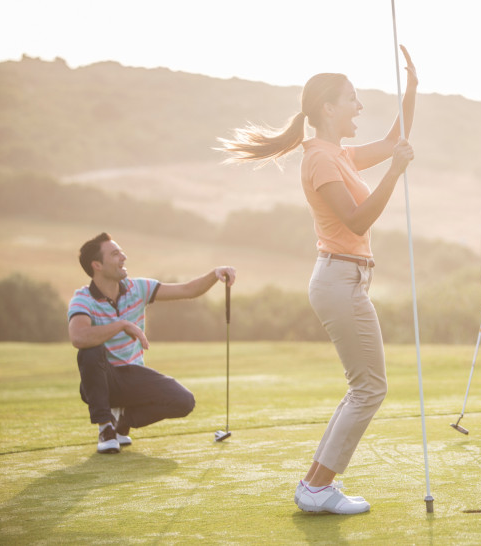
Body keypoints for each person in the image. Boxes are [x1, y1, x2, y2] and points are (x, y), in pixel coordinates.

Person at [218, 46, 417, 515]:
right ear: (328, 107)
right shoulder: (321, 160)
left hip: (346, 280)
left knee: (362, 386)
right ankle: (318, 486)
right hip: (339, 281)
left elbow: (396, 137)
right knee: (370, 388)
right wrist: (395, 172)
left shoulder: (339, 154)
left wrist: (412, 88)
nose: (359, 108)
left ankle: (315, 484)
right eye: (352, 99)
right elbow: (357, 222)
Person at [68, 232, 236, 455]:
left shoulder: (137, 289)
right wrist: (121, 325)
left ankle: (122, 421)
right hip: (102, 380)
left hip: (134, 375)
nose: (123, 257)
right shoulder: (83, 298)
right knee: (89, 353)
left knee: (183, 401)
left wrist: (215, 274)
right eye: (116, 254)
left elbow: (188, 289)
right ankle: (105, 427)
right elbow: (79, 338)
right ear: (97, 265)